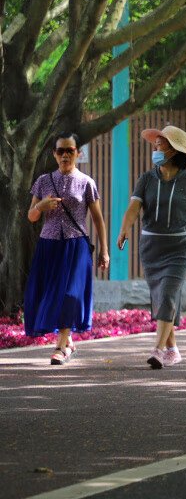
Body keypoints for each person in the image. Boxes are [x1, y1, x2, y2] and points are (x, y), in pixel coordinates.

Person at [118, 126, 186, 369]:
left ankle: (158, 350)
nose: (155, 148)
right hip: (151, 247)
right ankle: (172, 348)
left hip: (179, 247)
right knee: (161, 298)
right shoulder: (147, 179)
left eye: (160, 144)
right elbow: (133, 208)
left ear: (173, 150)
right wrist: (124, 229)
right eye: (156, 144)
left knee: (169, 293)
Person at [24, 133, 110, 364]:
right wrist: (41, 205)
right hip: (49, 244)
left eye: (69, 151)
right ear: (54, 154)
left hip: (76, 245)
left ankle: (60, 348)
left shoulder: (86, 182)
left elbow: (98, 219)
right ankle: (67, 340)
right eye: (60, 151)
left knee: (71, 294)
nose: (65, 155)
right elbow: (31, 216)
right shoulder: (43, 181)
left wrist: (104, 250)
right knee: (51, 294)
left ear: (77, 153)